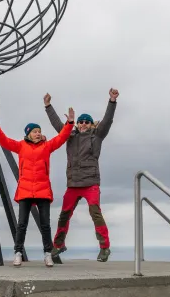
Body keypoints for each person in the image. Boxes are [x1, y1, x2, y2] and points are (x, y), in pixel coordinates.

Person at [0, 108, 75, 268]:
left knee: (45, 224)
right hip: (25, 190)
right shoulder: (20, 146)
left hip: (43, 191)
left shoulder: (46, 146)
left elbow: (61, 138)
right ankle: (17, 253)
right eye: (34, 131)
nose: (38, 133)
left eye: (39, 131)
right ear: (28, 134)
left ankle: (48, 254)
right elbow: (4, 141)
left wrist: (70, 123)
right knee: (22, 224)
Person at [43, 88, 119, 262]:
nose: (83, 123)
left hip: (91, 182)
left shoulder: (97, 136)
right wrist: (48, 106)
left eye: (87, 121)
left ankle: (104, 248)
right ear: (77, 124)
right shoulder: (69, 136)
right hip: (73, 184)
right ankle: (59, 244)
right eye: (81, 121)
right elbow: (57, 125)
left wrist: (112, 101)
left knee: (95, 212)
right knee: (64, 214)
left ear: (92, 125)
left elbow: (107, 120)